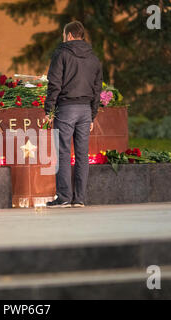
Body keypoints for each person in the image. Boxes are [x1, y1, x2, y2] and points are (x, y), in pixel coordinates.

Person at [44, 21, 103, 208]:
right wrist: (92, 115)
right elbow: (97, 89)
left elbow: (54, 84)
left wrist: (49, 110)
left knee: (62, 152)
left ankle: (64, 198)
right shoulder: (94, 59)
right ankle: (80, 199)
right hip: (85, 110)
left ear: (69, 35)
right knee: (82, 155)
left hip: (66, 109)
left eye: (64, 34)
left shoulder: (61, 54)